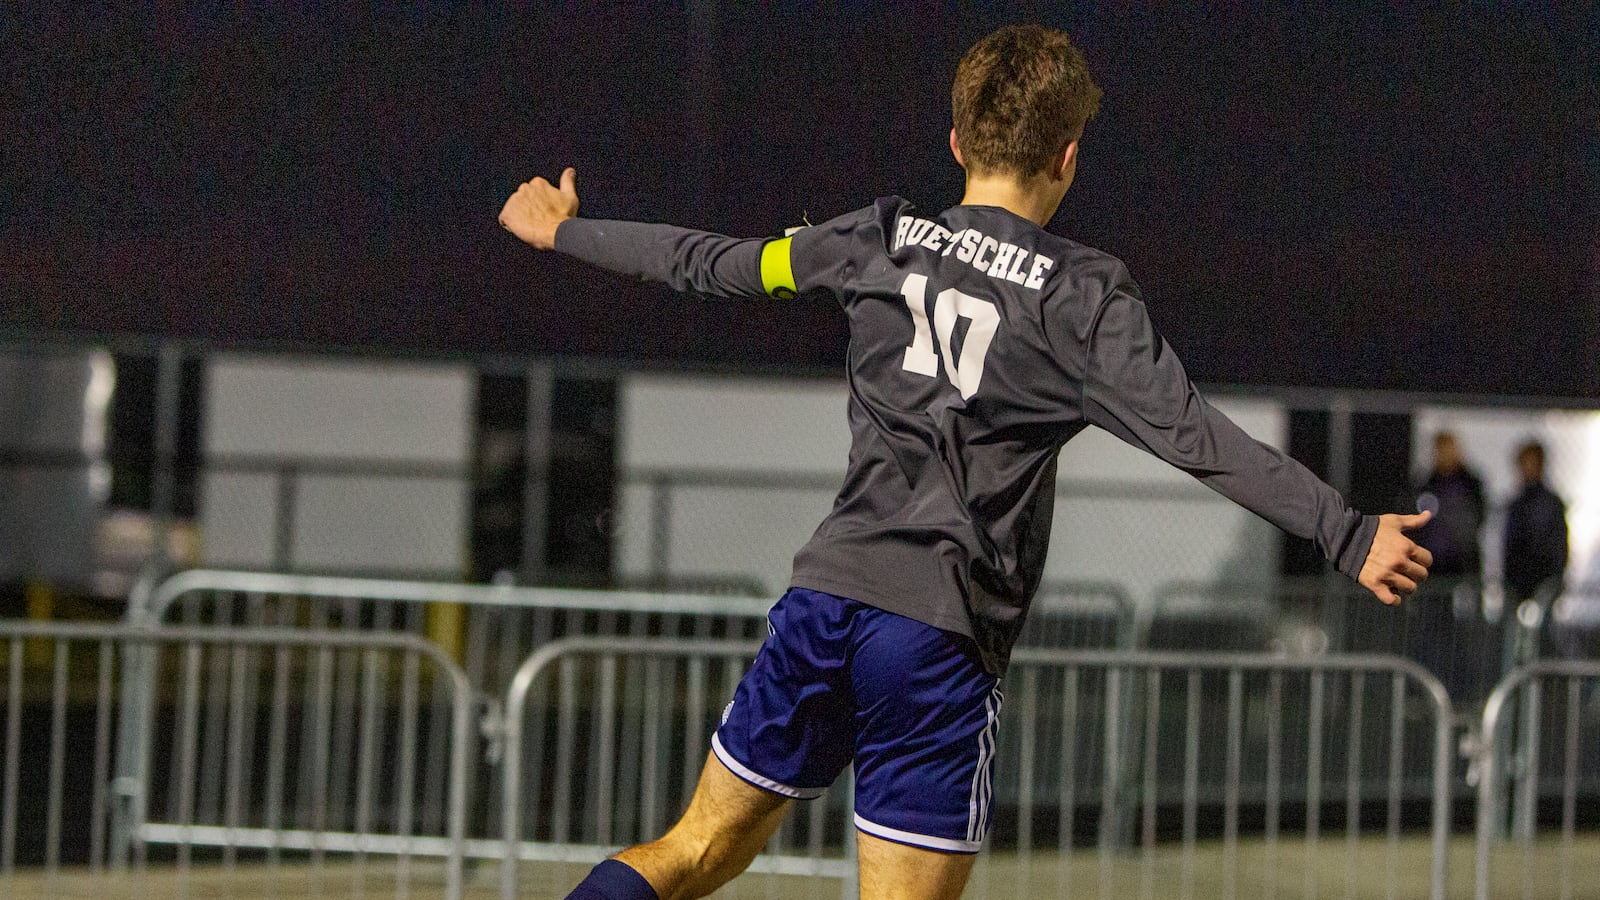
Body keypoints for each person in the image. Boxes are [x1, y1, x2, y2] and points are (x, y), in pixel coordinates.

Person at [499, 25, 1433, 900]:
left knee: (693, 852)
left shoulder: (873, 241)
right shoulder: (1081, 298)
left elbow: (716, 262)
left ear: (955, 143)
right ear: (1067, 157)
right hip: (934, 635)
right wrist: (1345, 532)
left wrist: (563, 231)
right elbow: (1196, 438)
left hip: (825, 600)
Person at [1407, 431, 1487, 695]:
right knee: (1429, 634)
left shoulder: (1469, 484)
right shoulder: (1427, 484)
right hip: (1432, 572)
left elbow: (1476, 522)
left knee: (1463, 635)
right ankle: (1426, 690)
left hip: (1461, 572)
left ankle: (1463, 690)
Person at [1502, 440, 1568, 604]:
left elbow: (1558, 544)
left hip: (1544, 578)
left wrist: (1554, 576)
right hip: (1517, 582)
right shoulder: (1516, 503)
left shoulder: (1550, 503)